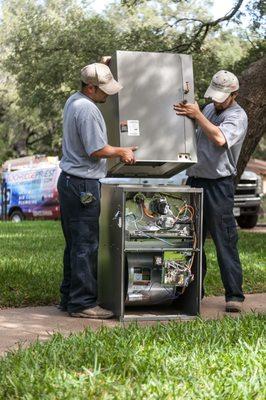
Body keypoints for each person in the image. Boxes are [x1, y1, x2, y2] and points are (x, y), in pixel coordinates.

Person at [57, 62, 137, 318]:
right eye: (104, 90)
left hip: (70, 182)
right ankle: (83, 304)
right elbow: (95, 149)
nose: (109, 94)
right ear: (90, 89)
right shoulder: (88, 110)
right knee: (86, 245)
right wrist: (121, 151)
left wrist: (104, 66)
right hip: (84, 186)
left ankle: (69, 298)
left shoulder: (73, 100)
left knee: (74, 245)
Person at [174, 70, 248, 312]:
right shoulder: (207, 110)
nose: (216, 101)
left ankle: (234, 295)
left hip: (219, 185)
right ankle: (194, 291)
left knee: (224, 240)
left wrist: (197, 115)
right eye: (214, 96)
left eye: (222, 97)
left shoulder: (237, 116)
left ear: (234, 94)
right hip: (196, 181)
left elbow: (218, 138)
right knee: (192, 240)